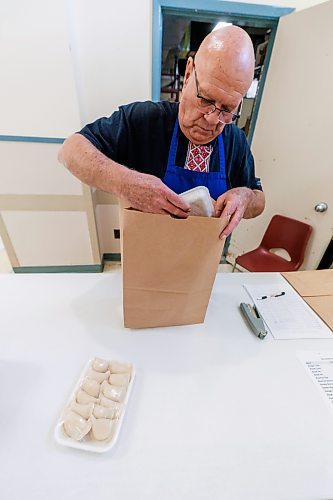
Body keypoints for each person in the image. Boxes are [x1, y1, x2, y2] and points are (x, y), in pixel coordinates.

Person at [58, 26, 265, 238]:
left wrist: (245, 198)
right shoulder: (144, 121)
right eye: (206, 99)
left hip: (202, 262)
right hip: (145, 256)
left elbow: (259, 199)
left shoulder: (236, 141)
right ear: (188, 75)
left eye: (227, 109)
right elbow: (71, 150)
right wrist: (126, 184)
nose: (212, 118)